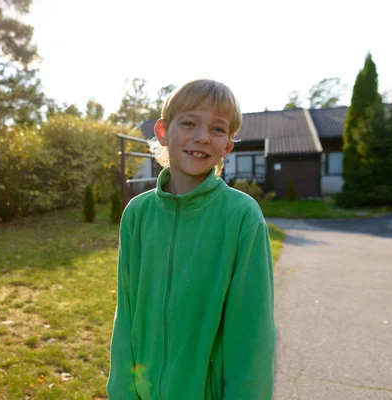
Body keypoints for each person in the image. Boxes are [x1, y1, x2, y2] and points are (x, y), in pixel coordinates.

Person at [107, 79, 276, 399]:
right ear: (162, 132)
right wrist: (122, 391)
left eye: (217, 129)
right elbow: (125, 314)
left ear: (227, 145)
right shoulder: (137, 215)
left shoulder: (242, 217)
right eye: (189, 123)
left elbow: (253, 336)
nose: (201, 137)